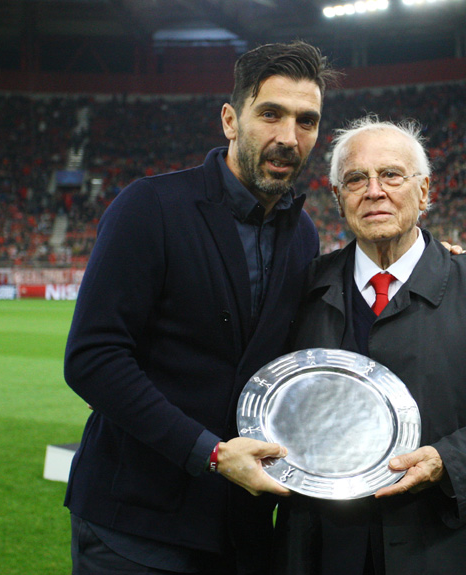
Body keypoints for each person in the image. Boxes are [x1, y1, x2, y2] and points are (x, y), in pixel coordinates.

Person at [63, 41, 340, 575]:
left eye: (306, 121)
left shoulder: (302, 233)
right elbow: (93, 359)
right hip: (135, 528)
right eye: (271, 114)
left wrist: (428, 258)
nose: (289, 137)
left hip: (241, 533)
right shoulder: (150, 207)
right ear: (230, 120)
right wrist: (209, 453)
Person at [273, 116, 466, 575]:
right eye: (356, 179)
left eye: (392, 175)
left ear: (424, 191)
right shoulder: (299, 291)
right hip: (323, 551)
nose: (374, 191)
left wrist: (447, 461)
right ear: (338, 197)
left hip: (449, 549)